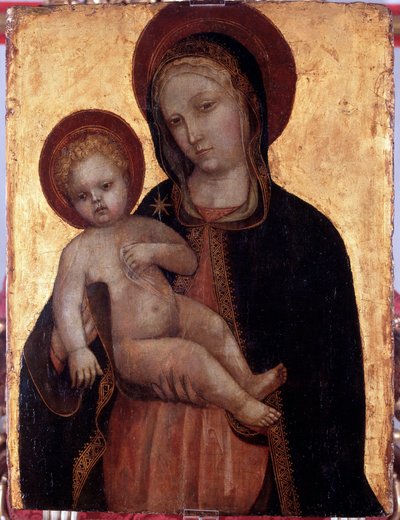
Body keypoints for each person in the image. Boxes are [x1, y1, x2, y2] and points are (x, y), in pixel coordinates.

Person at [19, 4, 384, 516]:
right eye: (175, 120)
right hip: (138, 467)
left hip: (258, 483)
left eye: (206, 106)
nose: (192, 133)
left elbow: (332, 395)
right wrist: (63, 345)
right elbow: (58, 344)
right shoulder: (143, 215)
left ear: (249, 101)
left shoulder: (307, 238)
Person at [51, 131, 284, 428]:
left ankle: (247, 381)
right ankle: (240, 404)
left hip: (176, 313)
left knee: (214, 326)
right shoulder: (78, 251)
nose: (96, 200)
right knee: (191, 356)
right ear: (71, 203)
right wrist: (77, 350)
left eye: (106, 186)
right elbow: (66, 304)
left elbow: (187, 262)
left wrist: (154, 252)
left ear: (126, 180)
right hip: (132, 348)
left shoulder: (144, 227)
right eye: (82, 196)